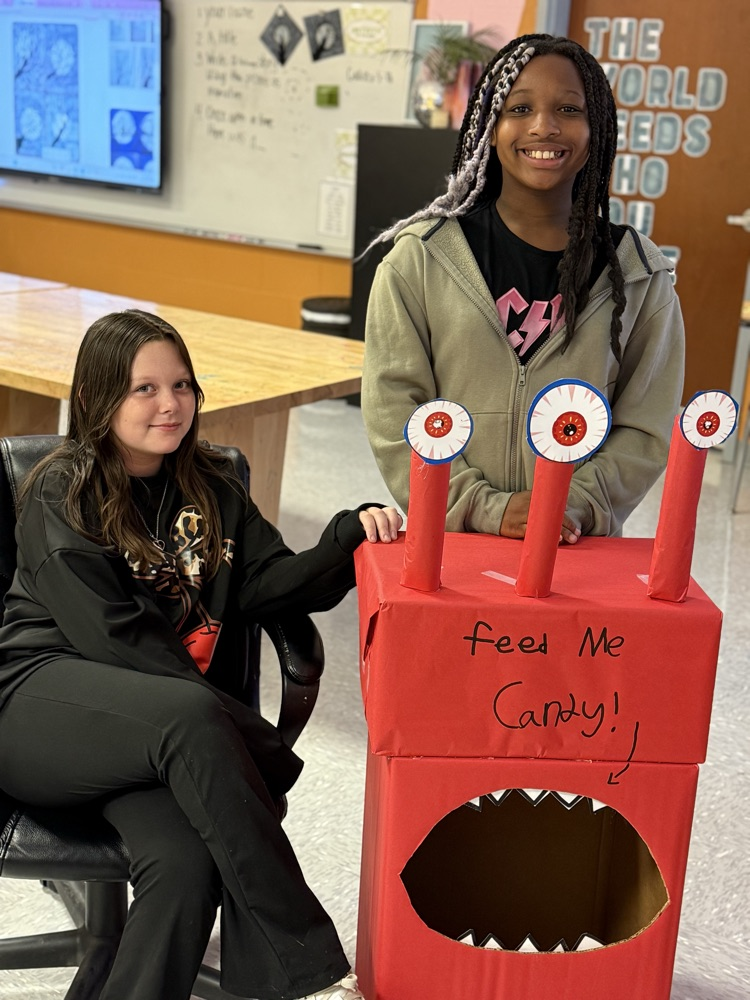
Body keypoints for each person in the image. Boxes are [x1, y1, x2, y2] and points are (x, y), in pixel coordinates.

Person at [0, 309, 402, 1000]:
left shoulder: (212, 485)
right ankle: (311, 974)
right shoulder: (62, 491)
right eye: (145, 389)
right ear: (96, 397)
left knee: (186, 865)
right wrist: (248, 739)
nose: (170, 404)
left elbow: (269, 586)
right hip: (39, 709)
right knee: (190, 715)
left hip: (155, 733)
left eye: (181, 385)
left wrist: (346, 538)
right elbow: (118, 641)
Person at [361, 34, 685, 541]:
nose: (543, 126)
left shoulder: (640, 274)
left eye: (569, 109)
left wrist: (569, 506)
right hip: (452, 548)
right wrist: (483, 507)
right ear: (490, 127)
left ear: (596, 129)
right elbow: (393, 407)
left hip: (572, 546)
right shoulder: (420, 259)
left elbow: (646, 424)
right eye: (520, 108)